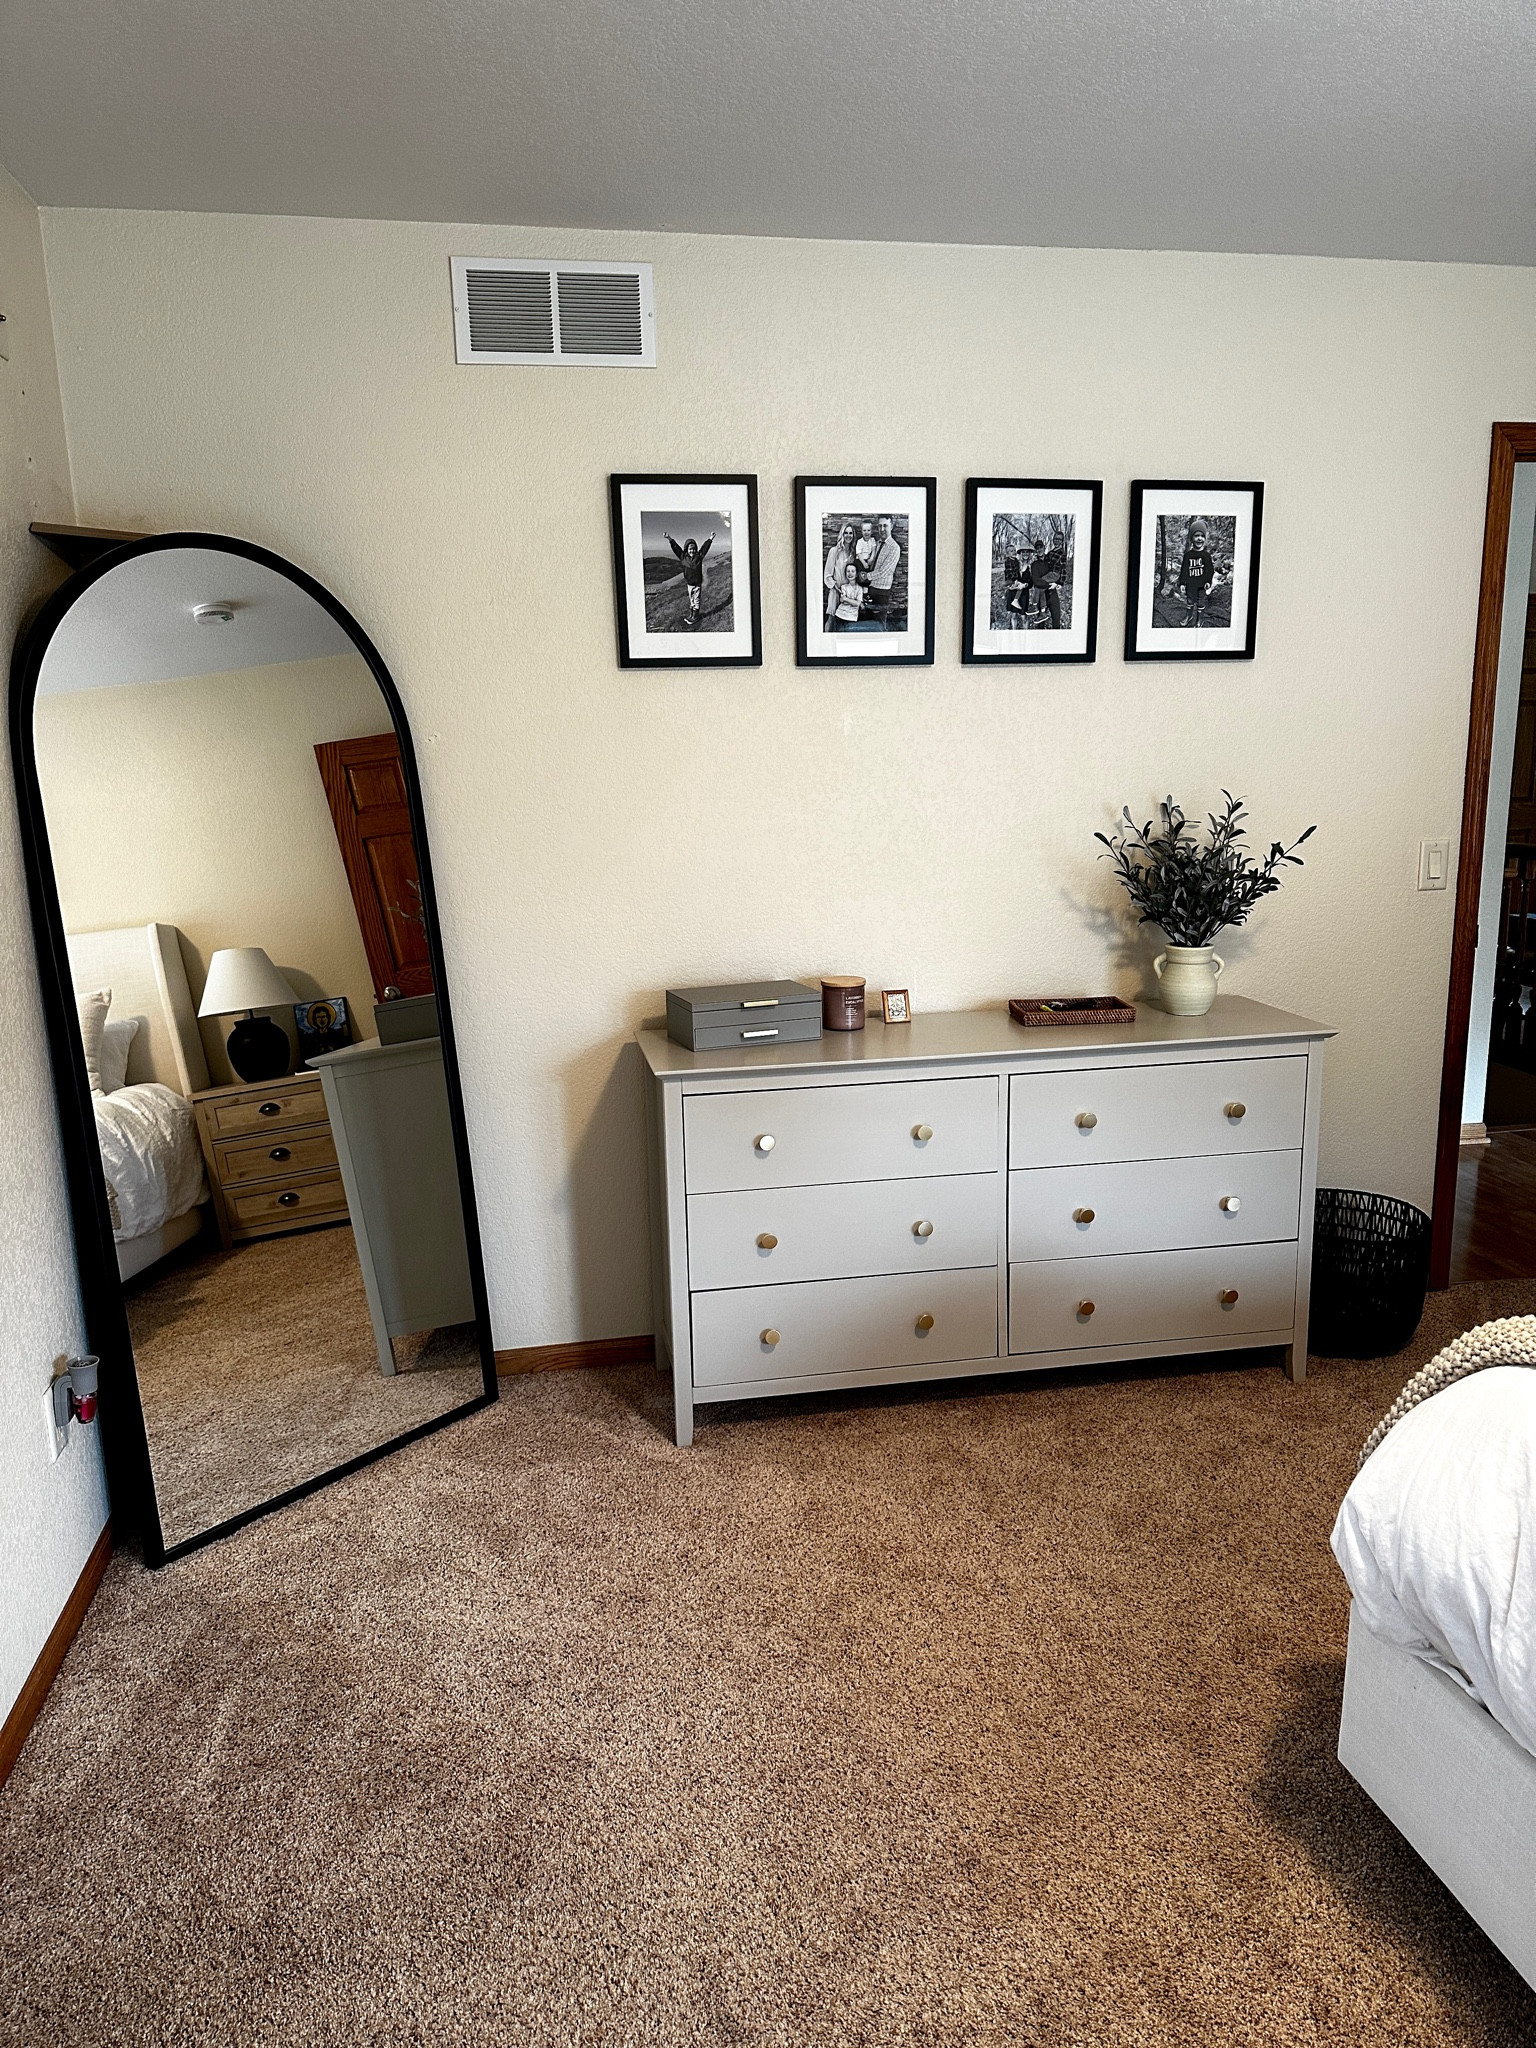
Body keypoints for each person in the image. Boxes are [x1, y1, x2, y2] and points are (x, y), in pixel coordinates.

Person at [1172, 520, 1221, 620]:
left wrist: (1208, 581)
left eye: (1202, 536)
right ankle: (1189, 616)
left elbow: (1210, 570)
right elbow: (1184, 570)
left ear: (1205, 539)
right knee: (1189, 601)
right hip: (1190, 584)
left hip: (1202, 585)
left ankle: (1199, 620)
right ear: (1191, 538)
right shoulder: (1188, 555)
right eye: (1196, 535)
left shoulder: (1206, 555)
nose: (1199, 538)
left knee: (1200, 602)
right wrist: (1182, 583)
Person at [664, 529, 714, 626]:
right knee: (691, 600)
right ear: (686, 549)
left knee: (696, 600)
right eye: (690, 549)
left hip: (697, 584)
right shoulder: (683, 557)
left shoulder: (699, 557)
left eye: (694, 549)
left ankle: (695, 617)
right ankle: (691, 615)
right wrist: (669, 538)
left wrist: (711, 538)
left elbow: (705, 548)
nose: (692, 551)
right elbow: (676, 548)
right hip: (689, 584)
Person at [866, 516, 901, 624]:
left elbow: (884, 571)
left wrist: (865, 576)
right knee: (867, 621)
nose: (882, 529)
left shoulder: (894, 547)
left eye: (885, 526)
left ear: (892, 526)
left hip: (881, 592)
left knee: (879, 624)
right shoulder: (875, 544)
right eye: (880, 526)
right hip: (870, 588)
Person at [1023, 538, 1063, 628]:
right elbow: (1036, 581)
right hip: (1041, 598)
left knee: (1056, 622)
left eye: (1041, 547)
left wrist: (1057, 583)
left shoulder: (1050, 560)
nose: (1039, 550)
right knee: (1040, 625)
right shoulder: (1034, 565)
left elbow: (1058, 571)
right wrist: (1050, 585)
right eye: (1037, 548)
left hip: (1053, 596)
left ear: (1044, 548)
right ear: (1035, 551)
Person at [824, 522, 856, 624]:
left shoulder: (853, 553)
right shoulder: (834, 551)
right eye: (845, 533)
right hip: (835, 591)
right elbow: (827, 576)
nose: (848, 536)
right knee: (831, 619)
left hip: (848, 593)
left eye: (850, 533)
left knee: (845, 621)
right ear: (842, 534)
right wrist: (837, 589)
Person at [833, 563, 866, 628]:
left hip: (852, 616)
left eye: (853, 571)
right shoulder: (844, 587)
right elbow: (842, 600)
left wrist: (846, 599)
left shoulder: (859, 588)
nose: (850, 573)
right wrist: (849, 601)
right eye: (848, 571)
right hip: (840, 614)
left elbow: (857, 603)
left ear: (856, 574)